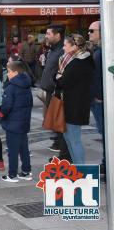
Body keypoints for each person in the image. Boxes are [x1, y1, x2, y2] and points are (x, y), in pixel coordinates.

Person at [54, 34, 94, 165]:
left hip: (75, 106)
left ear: (75, 46)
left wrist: (58, 77)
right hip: (74, 104)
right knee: (70, 138)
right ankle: (77, 168)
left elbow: (63, 82)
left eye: (65, 45)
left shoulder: (78, 63)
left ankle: (80, 170)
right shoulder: (80, 60)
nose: (63, 48)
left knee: (74, 140)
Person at [39, 25, 69, 160]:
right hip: (50, 91)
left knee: (59, 121)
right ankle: (59, 143)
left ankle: (63, 151)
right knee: (52, 120)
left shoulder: (62, 50)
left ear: (58, 35)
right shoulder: (52, 49)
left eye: (48, 33)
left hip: (56, 92)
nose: (46, 36)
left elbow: (62, 73)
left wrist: (53, 85)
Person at [0, 60, 33, 183]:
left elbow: (6, 107)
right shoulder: (26, 85)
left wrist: (1, 115)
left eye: (8, 72)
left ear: (15, 72)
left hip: (13, 124)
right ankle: (26, 171)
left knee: (13, 150)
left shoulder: (12, 88)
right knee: (24, 148)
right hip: (23, 122)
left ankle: (12, 174)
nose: (7, 74)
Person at [88, 21, 105, 175]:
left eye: (92, 31)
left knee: (105, 133)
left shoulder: (101, 52)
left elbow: (99, 76)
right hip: (96, 98)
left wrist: (99, 96)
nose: (89, 33)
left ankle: (107, 165)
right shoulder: (98, 50)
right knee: (103, 132)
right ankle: (106, 163)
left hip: (99, 99)